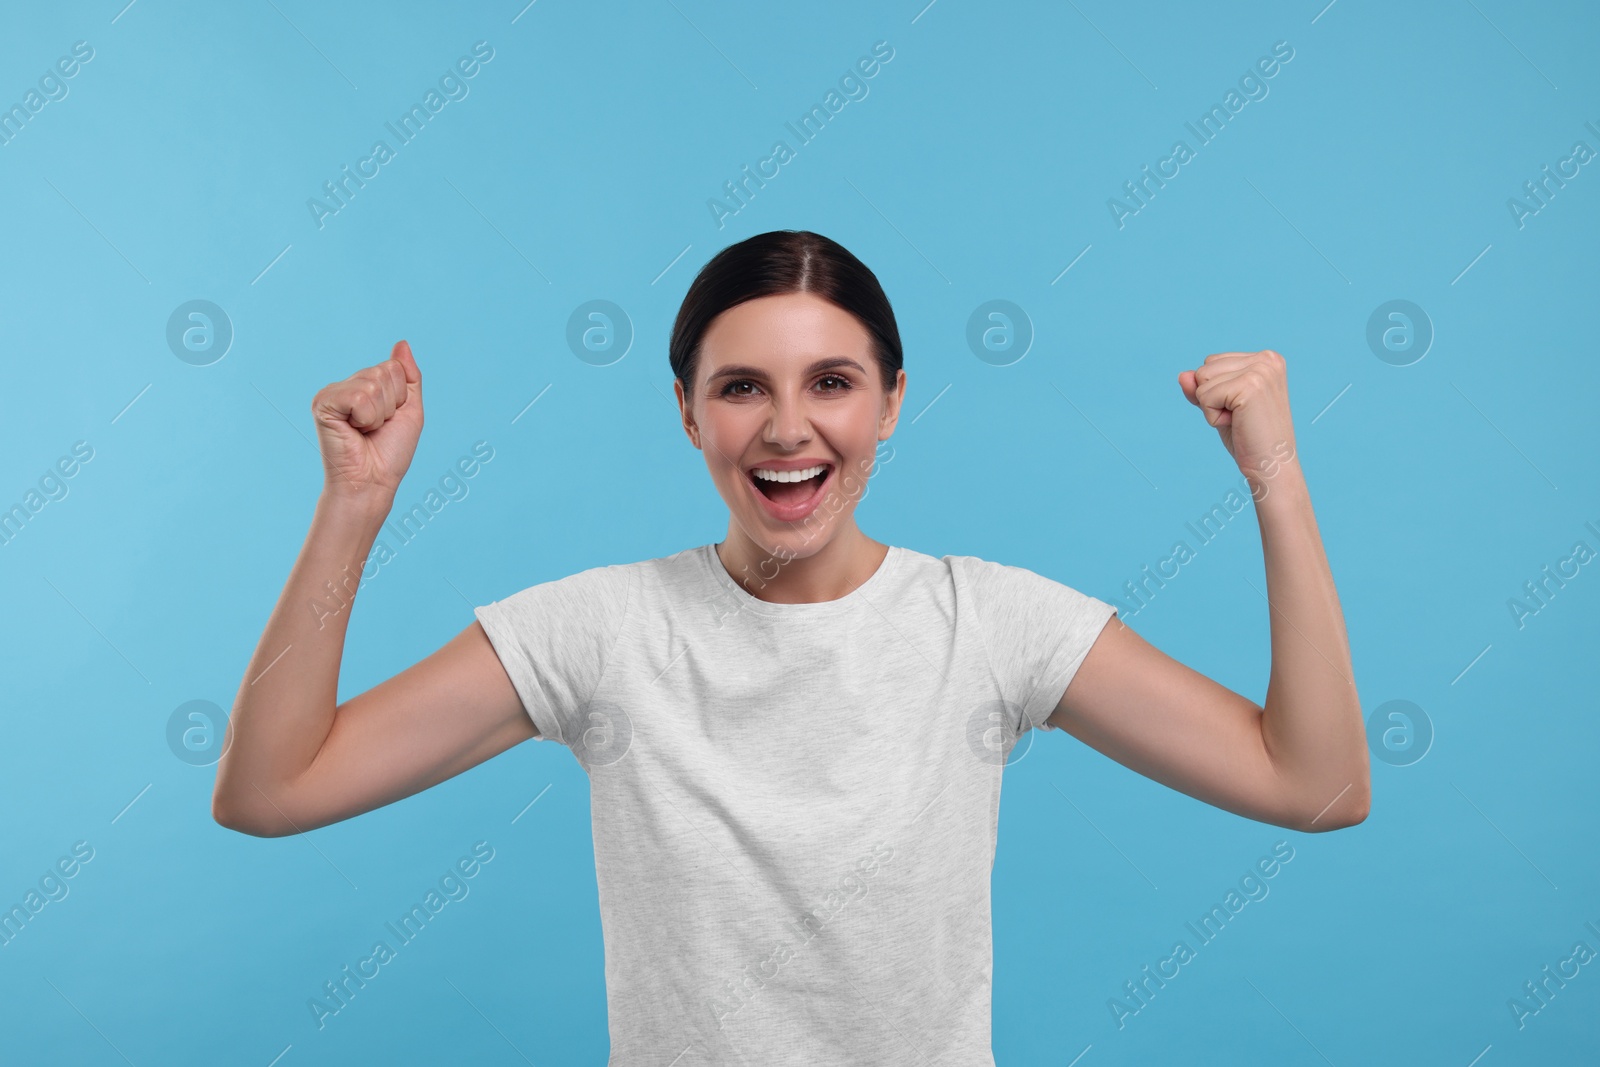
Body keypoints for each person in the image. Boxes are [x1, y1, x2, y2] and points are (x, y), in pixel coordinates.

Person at [212, 229, 1369, 1064]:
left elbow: (1313, 783)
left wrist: (1274, 474)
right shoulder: (601, 631)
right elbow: (272, 786)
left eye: (831, 382)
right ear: (686, 411)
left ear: (893, 401)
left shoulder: (990, 623)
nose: (785, 427)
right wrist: (354, 505)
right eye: (740, 388)